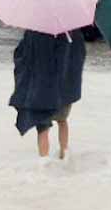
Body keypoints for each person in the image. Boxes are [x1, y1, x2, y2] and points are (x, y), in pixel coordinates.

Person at [9, 30, 86, 160]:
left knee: (42, 126)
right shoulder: (71, 31)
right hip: (64, 88)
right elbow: (78, 57)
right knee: (62, 120)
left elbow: (21, 55)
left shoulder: (34, 31)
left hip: (40, 88)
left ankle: (43, 164)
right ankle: (64, 154)